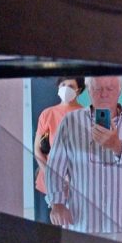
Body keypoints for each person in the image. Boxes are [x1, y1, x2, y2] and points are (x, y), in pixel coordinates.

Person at [46, 76, 122, 241]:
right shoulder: (71, 121)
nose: (104, 94)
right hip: (81, 220)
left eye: (110, 88)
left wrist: (117, 146)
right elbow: (55, 165)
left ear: (120, 91)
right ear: (88, 91)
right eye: (97, 89)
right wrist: (57, 203)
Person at [33, 77, 85, 223]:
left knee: (75, 228)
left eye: (71, 86)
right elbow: (37, 150)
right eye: (63, 85)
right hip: (49, 185)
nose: (66, 88)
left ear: (78, 90)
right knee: (48, 230)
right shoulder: (47, 114)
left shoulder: (86, 114)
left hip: (77, 186)